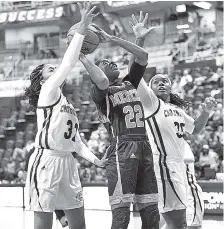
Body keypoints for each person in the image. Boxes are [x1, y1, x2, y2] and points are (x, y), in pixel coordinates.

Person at [128, 13, 217, 229]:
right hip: (163, 165)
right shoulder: (150, 102)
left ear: (170, 87)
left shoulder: (175, 109)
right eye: (156, 81)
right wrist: (139, 40)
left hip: (174, 166)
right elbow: (134, 75)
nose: (160, 83)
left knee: (158, 221)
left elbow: (195, 129)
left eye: (164, 81)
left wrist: (206, 112)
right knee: (178, 224)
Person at [25, 3, 106, 229]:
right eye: (50, 69)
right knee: (44, 224)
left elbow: (76, 141)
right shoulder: (47, 91)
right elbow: (68, 63)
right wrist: (81, 28)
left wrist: (95, 160)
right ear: (42, 80)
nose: (55, 70)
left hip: (68, 162)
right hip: (46, 161)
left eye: (54, 68)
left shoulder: (65, 103)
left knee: (79, 225)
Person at [79, 12, 159, 229]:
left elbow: (141, 56)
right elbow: (102, 80)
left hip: (144, 146)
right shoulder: (99, 93)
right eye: (103, 62)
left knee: (152, 213)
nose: (110, 61)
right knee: (122, 215)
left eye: (109, 59)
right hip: (122, 148)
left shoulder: (129, 82)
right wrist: (83, 56)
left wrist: (129, 38)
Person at [184, 141, 204, 229]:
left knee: (193, 225)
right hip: (174, 189)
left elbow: (190, 158)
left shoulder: (182, 143)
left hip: (189, 189)